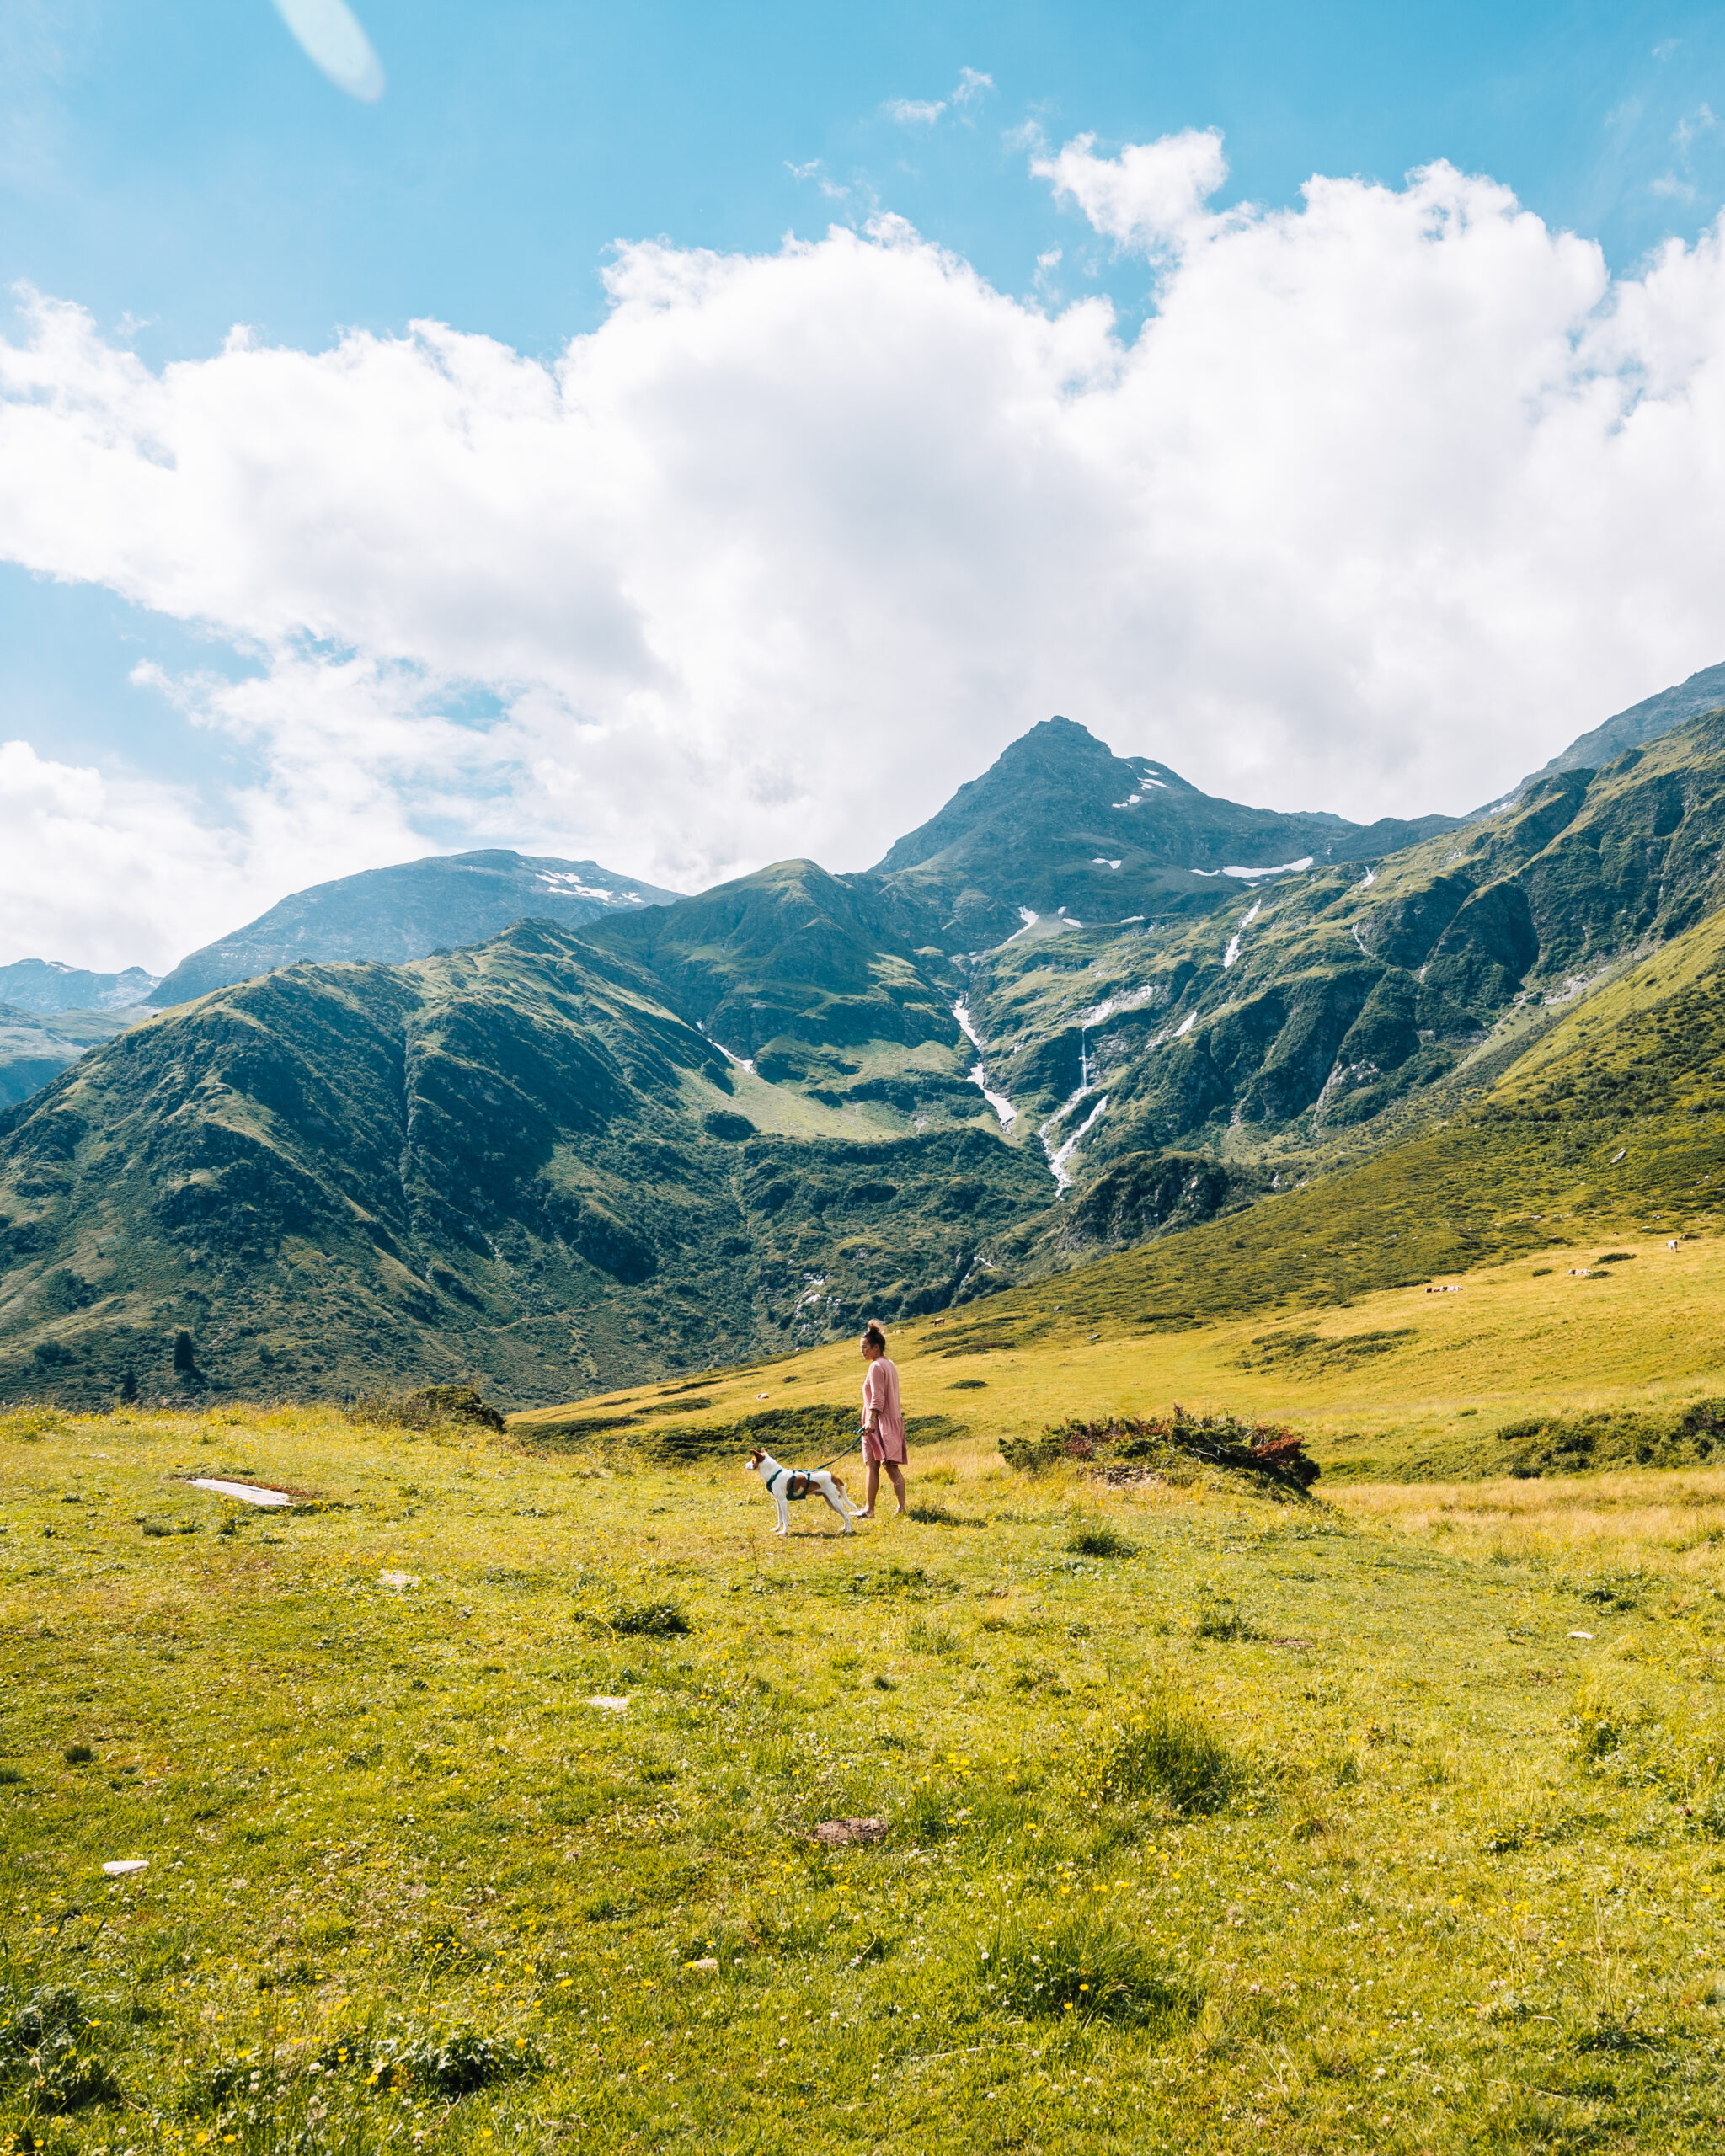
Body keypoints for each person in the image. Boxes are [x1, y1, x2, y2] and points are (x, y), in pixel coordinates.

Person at [858, 1319, 907, 1518]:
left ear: (875, 1347)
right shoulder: (889, 1364)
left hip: (878, 1423)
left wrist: (870, 1420)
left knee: (877, 1465)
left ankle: (870, 1510)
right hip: (890, 1420)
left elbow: (878, 1397)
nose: (862, 1351)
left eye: (864, 1347)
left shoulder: (876, 1367)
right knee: (887, 1466)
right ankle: (900, 1508)